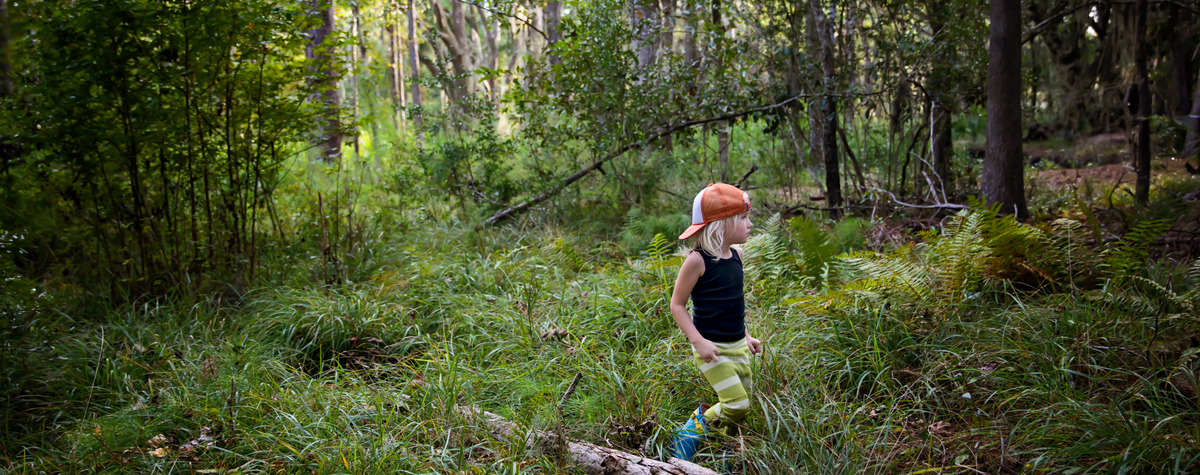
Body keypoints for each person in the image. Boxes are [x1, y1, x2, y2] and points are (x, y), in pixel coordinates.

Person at [669, 183, 763, 461]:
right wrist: (698, 343)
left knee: (741, 409)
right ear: (721, 224)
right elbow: (677, 305)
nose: (750, 224)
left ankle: (721, 450)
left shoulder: (737, 256)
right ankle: (691, 430)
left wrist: (746, 336)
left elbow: (733, 304)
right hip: (713, 350)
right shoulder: (697, 261)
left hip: (737, 345)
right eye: (743, 218)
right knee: (736, 404)